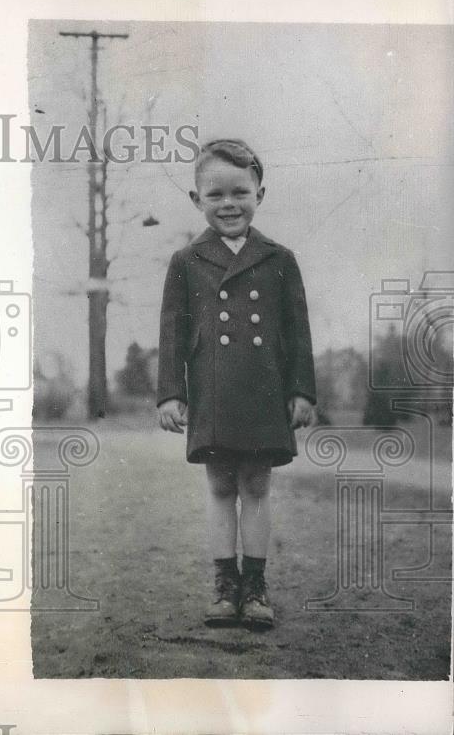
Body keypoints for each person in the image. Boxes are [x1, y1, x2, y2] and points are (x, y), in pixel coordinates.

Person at [156, 139, 317, 631]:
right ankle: (225, 587)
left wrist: (303, 390)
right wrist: (170, 392)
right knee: (221, 485)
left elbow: (297, 331)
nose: (229, 204)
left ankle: (256, 586)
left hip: (264, 389)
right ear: (196, 200)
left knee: (258, 484)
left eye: (240, 193)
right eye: (216, 195)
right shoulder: (185, 261)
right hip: (214, 391)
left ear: (260, 194)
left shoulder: (280, 259)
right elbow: (173, 333)